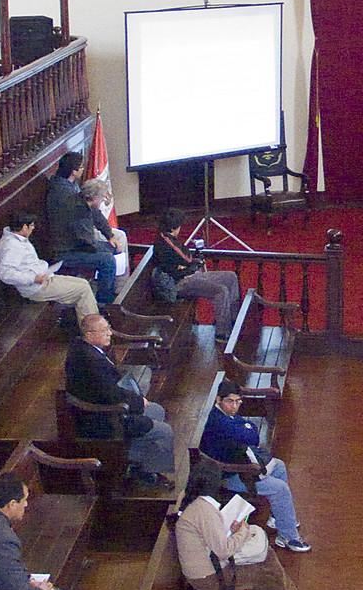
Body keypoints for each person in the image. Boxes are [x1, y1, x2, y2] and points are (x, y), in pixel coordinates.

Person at [175, 457, 323, 590]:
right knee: (264, 575)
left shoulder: (192, 500)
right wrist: (243, 530)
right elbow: (223, 551)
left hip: (207, 565)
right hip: (207, 578)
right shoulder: (204, 510)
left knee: (266, 555)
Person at [63, 313, 177, 486]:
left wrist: (137, 399)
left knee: (157, 411)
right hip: (102, 417)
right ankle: (145, 469)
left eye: (108, 328)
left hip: (106, 403)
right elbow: (110, 394)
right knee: (165, 431)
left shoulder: (83, 348)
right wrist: (138, 401)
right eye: (104, 330)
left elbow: (108, 389)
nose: (110, 333)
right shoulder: (91, 360)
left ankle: (142, 462)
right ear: (89, 335)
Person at [199, 379, 312, 551]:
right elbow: (252, 436)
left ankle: (277, 518)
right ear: (218, 400)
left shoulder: (225, 414)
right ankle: (288, 538)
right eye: (230, 401)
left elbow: (250, 429)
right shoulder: (219, 422)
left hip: (237, 461)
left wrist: (246, 427)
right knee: (280, 488)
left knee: (279, 466)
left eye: (238, 401)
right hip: (228, 474)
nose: (235, 406)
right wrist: (246, 428)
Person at [151, 208, 243, 338]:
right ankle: (222, 333)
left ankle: (234, 321)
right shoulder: (166, 241)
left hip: (186, 275)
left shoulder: (168, 237)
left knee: (231, 277)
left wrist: (187, 265)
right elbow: (186, 257)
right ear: (174, 227)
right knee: (220, 291)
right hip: (177, 284)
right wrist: (189, 264)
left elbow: (185, 260)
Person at [0, 211, 99, 320]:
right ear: (24, 227)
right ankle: (93, 330)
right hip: (37, 288)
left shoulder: (17, 239)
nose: (33, 228)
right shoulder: (11, 246)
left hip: (44, 278)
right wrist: (33, 278)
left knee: (83, 283)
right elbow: (5, 274)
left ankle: (95, 324)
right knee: (82, 290)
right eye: (32, 225)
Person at [55, 178, 127, 303]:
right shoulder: (77, 212)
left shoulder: (84, 202)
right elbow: (86, 243)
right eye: (102, 198)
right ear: (94, 198)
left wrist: (110, 236)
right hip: (66, 252)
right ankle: (104, 301)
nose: (102, 201)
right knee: (107, 259)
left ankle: (115, 288)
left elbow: (99, 218)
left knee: (112, 249)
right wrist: (107, 250)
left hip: (80, 246)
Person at [41, 151, 88, 263]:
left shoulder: (72, 184)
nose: (83, 169)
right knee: (108, 259)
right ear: (73, 171)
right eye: (81, 167)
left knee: (118, 236)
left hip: (80, 232)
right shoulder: (62, 192)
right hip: (67, 244)